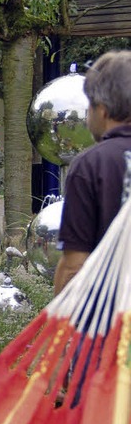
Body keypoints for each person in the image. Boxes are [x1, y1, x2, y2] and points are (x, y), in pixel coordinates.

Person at [54, 50, 131, 296]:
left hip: (113, 323)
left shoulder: (92, 165)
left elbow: (74, 266)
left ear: (103, 109)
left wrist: (61, 325)